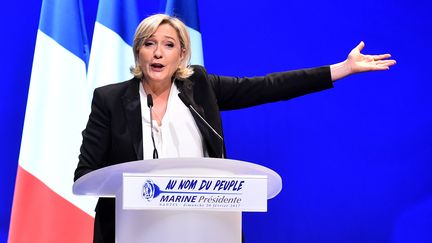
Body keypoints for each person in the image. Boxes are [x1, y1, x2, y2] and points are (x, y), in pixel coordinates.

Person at [74, 13, 396, 243]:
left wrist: (340, 69)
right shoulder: (110, 99)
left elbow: (267, 86)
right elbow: (86, 174)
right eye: (149, 43)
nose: (158, 52)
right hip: (133, 231)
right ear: (138, 51)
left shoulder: (200, 86)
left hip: (203, 229)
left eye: (168, 45)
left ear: (181, 54)